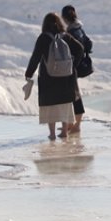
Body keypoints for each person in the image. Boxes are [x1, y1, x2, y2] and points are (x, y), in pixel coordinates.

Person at [24, 13, 84, 141]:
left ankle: (52, 133)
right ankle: (64, 132)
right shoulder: (66, 36)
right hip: (66, 78)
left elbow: (35, 57)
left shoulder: (43, 38)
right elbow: (80, 49)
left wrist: (29, 73)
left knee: (50, 105)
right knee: (64, 104)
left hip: (48, 77)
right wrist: (72, 66)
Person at [61, 5, 93, 136]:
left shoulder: (71, 32)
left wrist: (73, 64)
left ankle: (76, 125)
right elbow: (88, 44)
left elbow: (78, 49)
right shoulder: (79, 28)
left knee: (74, 95)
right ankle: (72, 124)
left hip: (72, 67)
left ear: (64, 17)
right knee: (72, 94)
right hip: (75, 66)